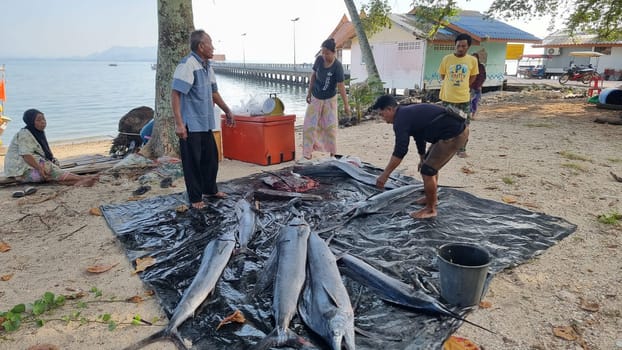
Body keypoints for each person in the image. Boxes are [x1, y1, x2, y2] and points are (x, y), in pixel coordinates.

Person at [372, 95, 469, 219]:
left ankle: (431, 209)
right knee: (427, 165)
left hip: (455, 134)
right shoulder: (405, 113)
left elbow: (400, 151)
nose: (383, 119)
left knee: (428, 171)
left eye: (382, 114)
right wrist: (422, 157)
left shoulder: (400, 119)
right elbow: (419, 135)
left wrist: (384, 175)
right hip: (448, 132)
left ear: (389, 109)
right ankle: (431, 198)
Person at [171, 29, 235, 209]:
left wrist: (227, 110)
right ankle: (195, 197)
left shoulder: (207, 66)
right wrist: (179, 123)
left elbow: (214, 93)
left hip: (205, 123)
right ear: (201, 46)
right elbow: (175, 94)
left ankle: (210, 190)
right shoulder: (188, 65)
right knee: (192, 164)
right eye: (211, 43)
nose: (213, 47)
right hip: (190, 125)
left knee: (211, 159)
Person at [3, 109, 98, 191]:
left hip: (28, 166)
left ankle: (76, 181)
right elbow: (26, 155)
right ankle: (81, 179)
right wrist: (40, 168)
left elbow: (43, 154)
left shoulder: (37, 132)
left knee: (53, 163)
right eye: (38, 120)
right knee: (47, 167)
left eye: (43, 119)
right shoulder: (24, 134)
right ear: (31, 122)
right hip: (18, 171)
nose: (43, 122)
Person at [302, 38, 351, 160]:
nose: (324, 55)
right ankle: (307, 153)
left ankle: (332, 153)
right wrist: (309, 93)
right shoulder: (319, 60)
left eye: (327, 53)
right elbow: (313, 76)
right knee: (309, 125)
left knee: (330, 126)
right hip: (316, 96)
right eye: (322, 52)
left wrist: (346, 105)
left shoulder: (337, 66)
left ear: (333, 52)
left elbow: (341, 86)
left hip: (330, 99)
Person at [438, 33, 478, 158]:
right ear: (455, 45)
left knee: (464, 125)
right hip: (447, 98)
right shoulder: (447, 59)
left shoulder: (472, 60)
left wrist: (464, 86)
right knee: (445, 124)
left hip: (464, 99)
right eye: (458, 46)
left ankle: (462, 149)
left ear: (468, 47)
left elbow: (473, 76)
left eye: (464, 46)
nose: (460, 48)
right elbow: (443, 76)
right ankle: (445, 148)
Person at [469, 52, 486, 120]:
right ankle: (469, 114)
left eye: (475, 58)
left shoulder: (481, 66)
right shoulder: (469, 66)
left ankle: (473, 114)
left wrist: (480, 85)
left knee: (475, 101)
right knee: (468, 101)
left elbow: (483, 77)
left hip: (477, 86)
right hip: (470, 86)